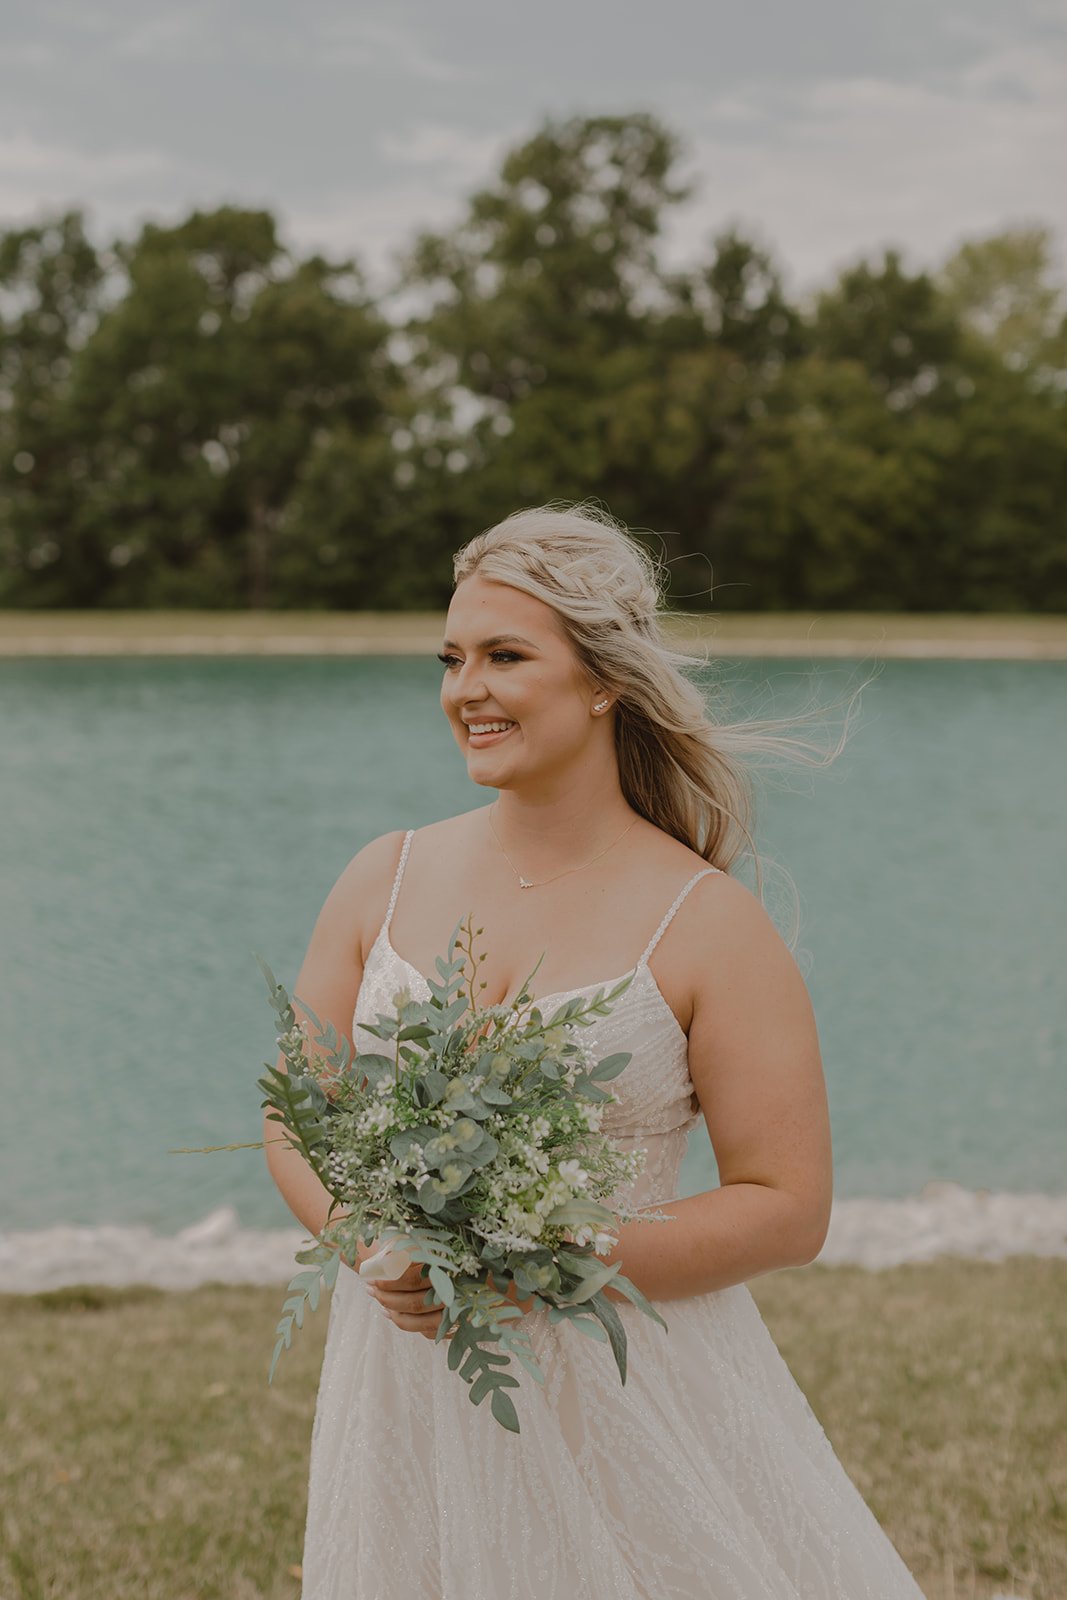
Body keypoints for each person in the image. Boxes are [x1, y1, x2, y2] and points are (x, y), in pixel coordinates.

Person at [265, 504, 926, 1598]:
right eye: (451, 657)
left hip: (626, 1386)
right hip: (407, 1370)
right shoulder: (380, 873)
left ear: (602, 679)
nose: (464, 688)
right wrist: (367, 1240)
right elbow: (298, 1106)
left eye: (504, 656)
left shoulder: (706, 924)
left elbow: (784, 1204)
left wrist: (540, 1249)